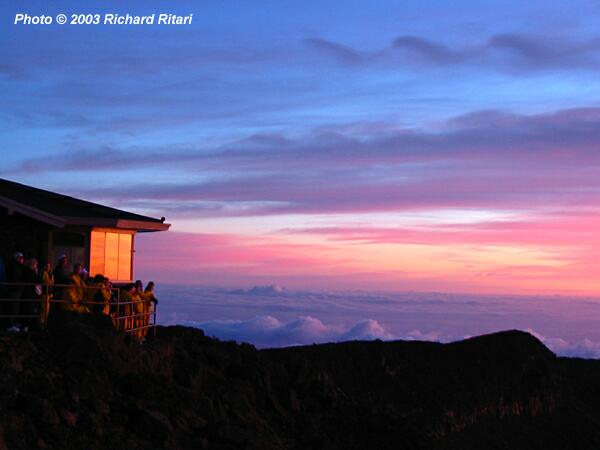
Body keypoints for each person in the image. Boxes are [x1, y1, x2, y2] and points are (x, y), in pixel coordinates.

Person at [5, 252, 25, 332]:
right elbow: (13, 279)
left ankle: (14, 323)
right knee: (13, 307)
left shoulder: (17, 267)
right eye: (20, 258)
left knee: (16, 307)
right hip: (14, 290)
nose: (22, 260)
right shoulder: (13, 267)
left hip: (16, 290)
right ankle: (10, 325)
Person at [21, 258, 42, 331]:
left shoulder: (33, 271)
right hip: (28, 293)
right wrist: (36, 274)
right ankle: (26, 325)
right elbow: (34, 280)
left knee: (32, 309)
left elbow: (39, 280)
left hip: (32, 293)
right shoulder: (27, 271)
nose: (36, 266)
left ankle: (29, 325)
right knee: (28, 309)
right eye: (35, 264)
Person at [41, 263, 54, 328]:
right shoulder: (44, 273)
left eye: (49, 266)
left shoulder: (50, 274)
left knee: (47, 310)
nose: (48, 267)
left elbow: (52, 283)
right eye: (46, 266)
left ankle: (45, 323)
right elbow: (45, 282)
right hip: (44, 293)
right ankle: (42, 324)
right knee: (44, 309)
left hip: (48, 294)